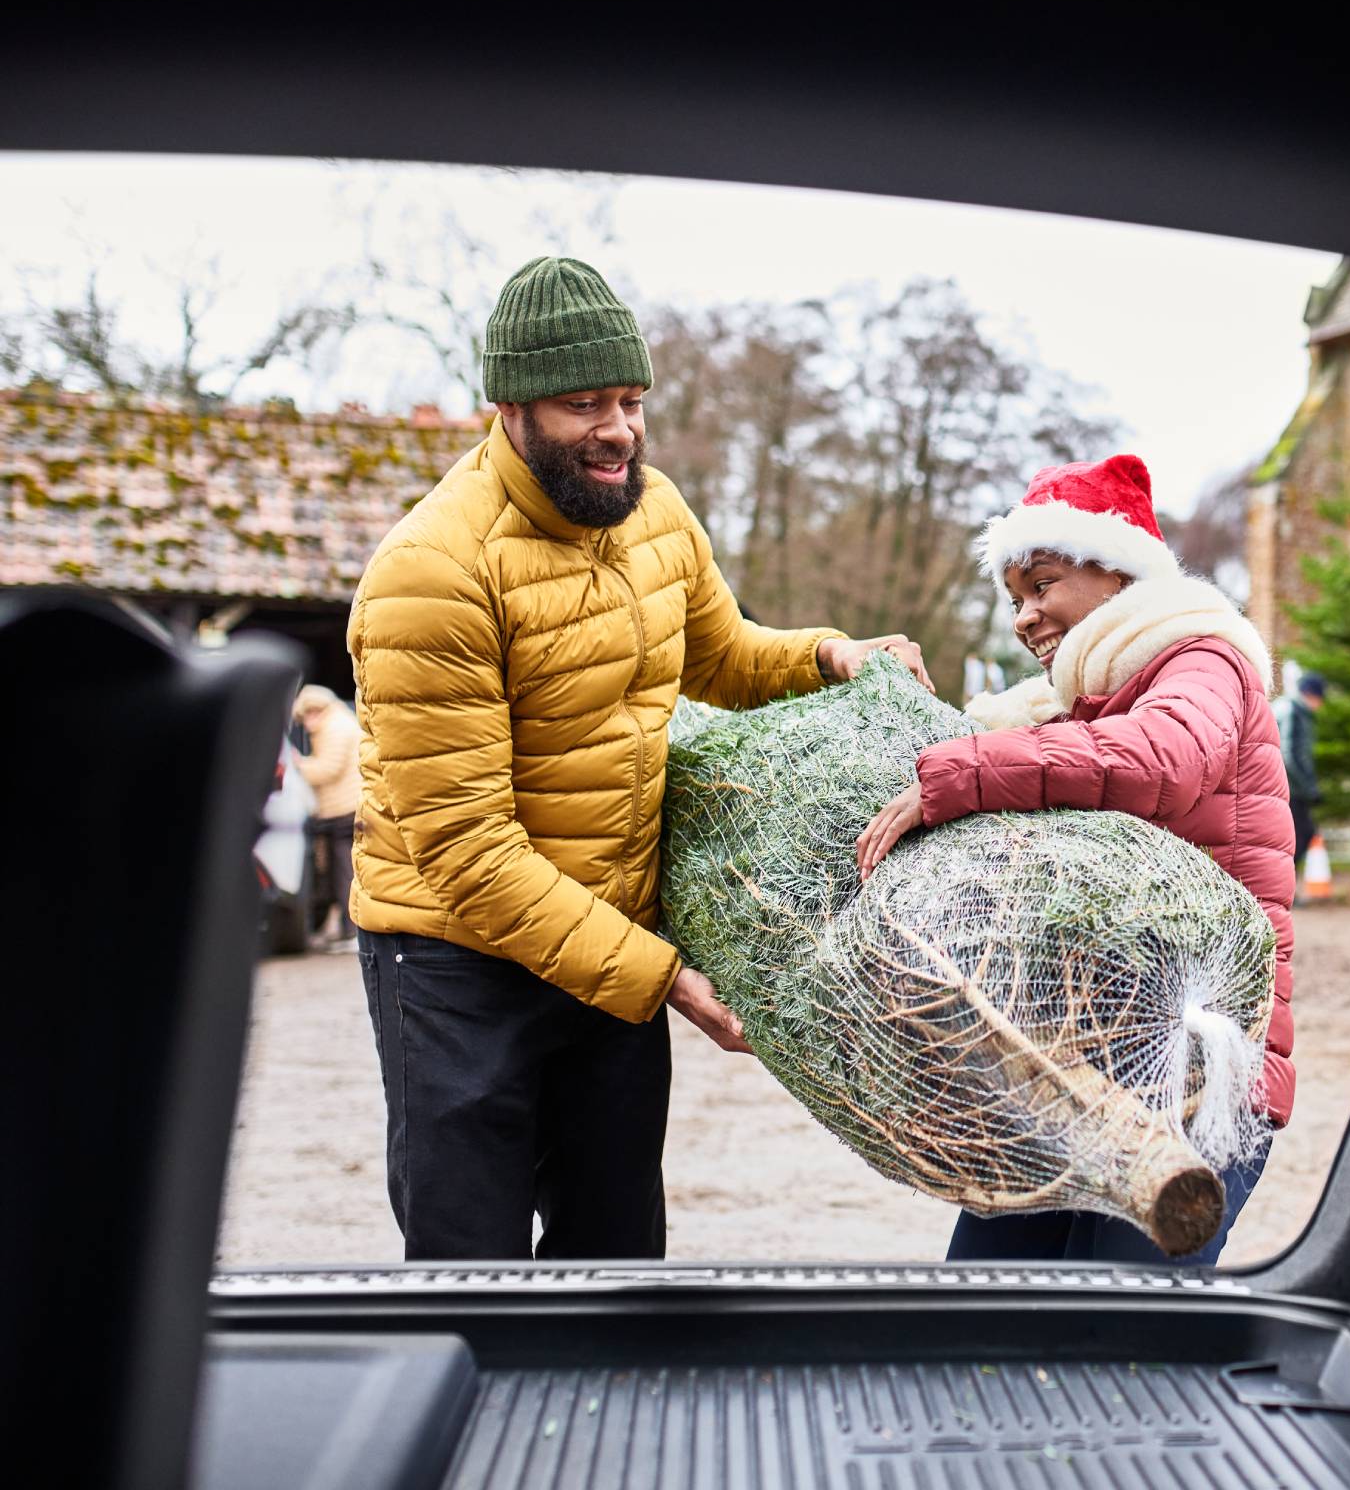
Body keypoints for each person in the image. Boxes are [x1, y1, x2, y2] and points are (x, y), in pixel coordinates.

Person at [346, 256, 931, 1261]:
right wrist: (664, 980)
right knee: (468, 1262)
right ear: (508, 407)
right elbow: (470, 854)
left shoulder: (654, 512)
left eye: (629, 399)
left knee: (614, 1253)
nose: (617, 429)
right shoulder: (430, 573)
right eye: (583, 404)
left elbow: (725, 657)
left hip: (608, 940)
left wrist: (831, 653)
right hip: (456, 957)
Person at [854, 453, 1294, 1266]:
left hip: (1190, 1079)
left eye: (1044, 584)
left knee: (1116, 1347)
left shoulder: (1200, 662)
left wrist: (967, 772)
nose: (1025, 617)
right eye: (1015, 598)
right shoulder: (1077, 707)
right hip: (1078, 1074)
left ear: (1120, 573)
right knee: (986, 1315)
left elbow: (1164, 759)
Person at [292, 684, 361, 951]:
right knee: (340, 868)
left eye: (307, 717)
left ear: (316, 710)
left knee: (344, 870)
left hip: (344, 810)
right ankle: (346, 929)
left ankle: (351, 929)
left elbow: (328, 769)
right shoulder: (338, 722)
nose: (306, 724)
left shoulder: (335, 727)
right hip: (340, 808)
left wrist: (300, 765)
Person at [1276, 672, 1326, 870]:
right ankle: (1281, 887)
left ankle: (1283, 887)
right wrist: (1309, 788)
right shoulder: (1293, 711)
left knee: (1299, 835)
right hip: (1290, 788)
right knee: (1299, 835)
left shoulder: (1292, 709)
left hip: (1291, 787)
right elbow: (1290, 754)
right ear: (1312, 695)